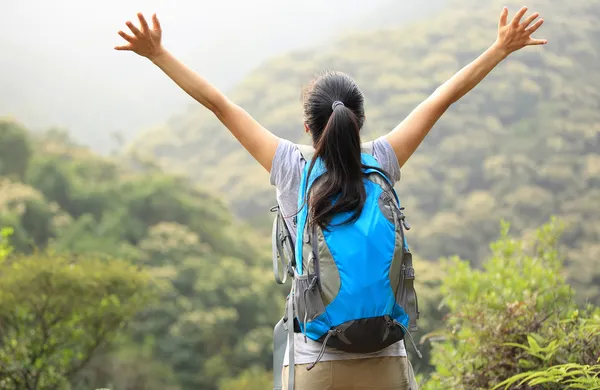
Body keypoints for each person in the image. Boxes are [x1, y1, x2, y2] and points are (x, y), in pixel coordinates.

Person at [115, 6, 546, 390]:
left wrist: (157, 54)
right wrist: (500, 48)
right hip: (385, 357)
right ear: (359, 122)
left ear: (308, 127)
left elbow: (220, 105)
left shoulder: (290, 167)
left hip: (316, 361)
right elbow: (442, 98)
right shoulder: (382, 159)